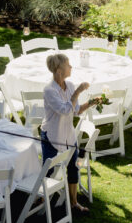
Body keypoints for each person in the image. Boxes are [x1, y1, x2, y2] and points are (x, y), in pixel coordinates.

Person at [42, 52, 99, 213]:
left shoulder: (71, 85)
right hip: (52, 135)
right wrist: (78, 92)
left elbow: (75, 111)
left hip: (68, 135)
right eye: (68, 65)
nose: (71, 67)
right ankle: (41, 199)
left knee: (73, 167)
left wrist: (91, 102)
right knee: (49, 170)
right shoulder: (49, 90)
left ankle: (74, 203)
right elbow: (64, 109)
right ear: (59, 70)